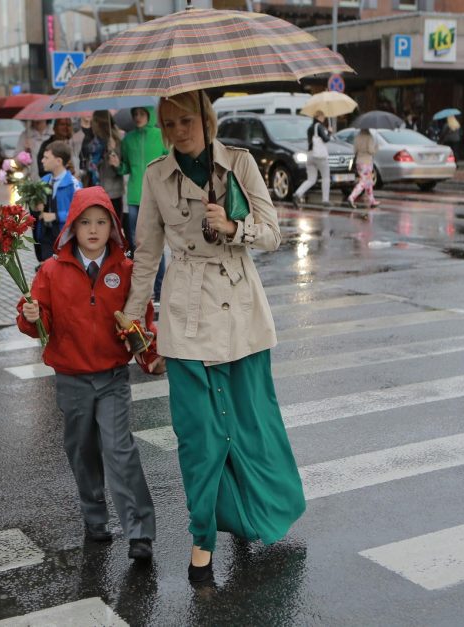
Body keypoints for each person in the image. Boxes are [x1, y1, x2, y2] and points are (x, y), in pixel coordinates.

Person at [123, 90, 305, 583]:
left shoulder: (240, 163)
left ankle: (248, 513)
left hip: (241, 312)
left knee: (249, 425)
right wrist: (131, 315)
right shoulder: (156, 175)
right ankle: (202, 537)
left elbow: (272, 234)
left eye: (186, 120)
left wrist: (233, 225)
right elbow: (146, 254)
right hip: (185, 313)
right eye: (169, 123)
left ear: (206, 118)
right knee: (198, 435)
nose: (178, 131)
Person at [17, 185, 157, 562]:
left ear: (112, 226)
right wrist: (31, 317)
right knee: (82, 449)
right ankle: (95, 518)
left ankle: (139, 532)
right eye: (85, 223)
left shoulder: (125, 270)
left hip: (112, 376)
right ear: (71, 228)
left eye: (101, 222)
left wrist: (147, 348)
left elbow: (141, 318)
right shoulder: (50, 271)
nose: (93, 230)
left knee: (119, 449)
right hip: (71, 377)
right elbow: (37, 322)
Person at [115, 106, 169, 300]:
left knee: (156, 244)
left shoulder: (161, 135)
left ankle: (160, 290)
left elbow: (170, 161)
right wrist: (117, 164)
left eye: (141, 113)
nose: (138, 117)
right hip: (134, 197)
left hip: (156, 195)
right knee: (138, 245)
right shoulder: (127, 139)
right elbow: (125, 168)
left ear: (149, 114)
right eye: (135, 114)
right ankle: (139, 292)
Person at [34, 140, 81, 262]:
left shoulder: (74, 185)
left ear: (58, 161)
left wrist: (56, 216)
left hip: (65, 238)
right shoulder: (43, 181)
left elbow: (80, 213)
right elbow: (36, 208)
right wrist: (35, 206)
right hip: (46, 236)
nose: (42, 160)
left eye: (46, 157)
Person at [85, 111, 124, 226]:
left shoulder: (117, 141)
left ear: (100, 124)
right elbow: (89, 166)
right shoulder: (94, 143)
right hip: (96, 190)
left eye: (94, 122)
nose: (92, 125)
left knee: (112, 226)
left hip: (112, 191)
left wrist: (112, 151)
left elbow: (118, 170)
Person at [293, 110, 331, 206]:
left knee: (311, 179)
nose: (324, 118)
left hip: (310, 155)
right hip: (320, 156)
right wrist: (330, 132)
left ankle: (298, 193)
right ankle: (325, 200)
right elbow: (326, 139)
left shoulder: (310, 128)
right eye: (323, 116)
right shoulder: (319, 126)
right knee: (326, 177)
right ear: (318, 117)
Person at [347, 129, 379, 211]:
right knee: (364, 182)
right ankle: (351, 197)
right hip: (367, 162)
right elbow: (371, 150)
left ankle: (372, 201)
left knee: (369, 181)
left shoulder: (357, 137)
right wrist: (376, 147)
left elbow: (354, 151)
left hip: (359, 161)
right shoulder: (369, 137)